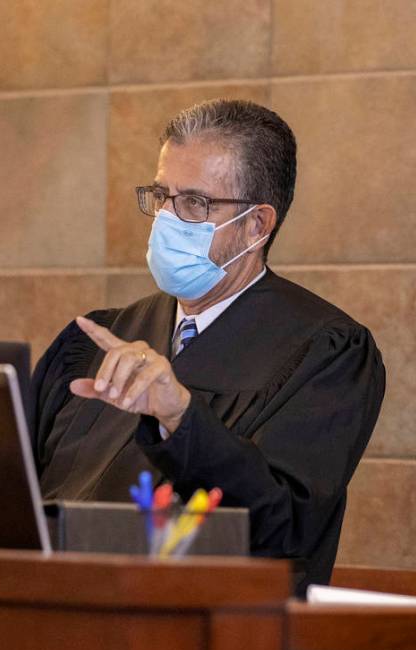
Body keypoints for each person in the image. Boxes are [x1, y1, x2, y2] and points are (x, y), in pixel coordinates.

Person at [32, 99, 385, 590]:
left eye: (195, 203)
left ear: (258, 225)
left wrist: (181, 418)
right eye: (162, 196)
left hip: (208, 638)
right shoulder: (95, 342)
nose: (167, 220)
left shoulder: (325, 353)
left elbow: (284, 531)